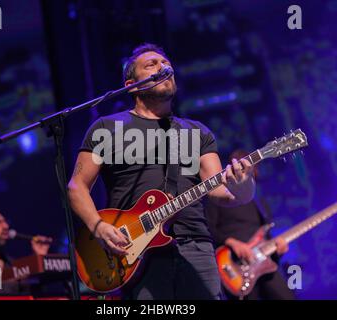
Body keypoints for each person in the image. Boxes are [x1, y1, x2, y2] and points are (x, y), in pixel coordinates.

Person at [68, 43, 256, 300]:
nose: (163, 68)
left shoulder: (196, 131)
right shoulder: (107, 128)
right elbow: (77, 186)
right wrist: (98, 226)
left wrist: (243, 185)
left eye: (166, 64)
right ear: (131, 84)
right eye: (152, 65)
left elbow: (220, 192)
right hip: (134, 251)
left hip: (196, 246)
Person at [205, 149, 295, 300]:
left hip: (263, 264)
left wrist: (278, 248)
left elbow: (266, 235)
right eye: (237, 165)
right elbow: (208, 229)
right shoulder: (218, 197)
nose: (242, 169)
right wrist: (233, 243)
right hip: (234, 265)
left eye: (247, 165)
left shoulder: (261, 203)